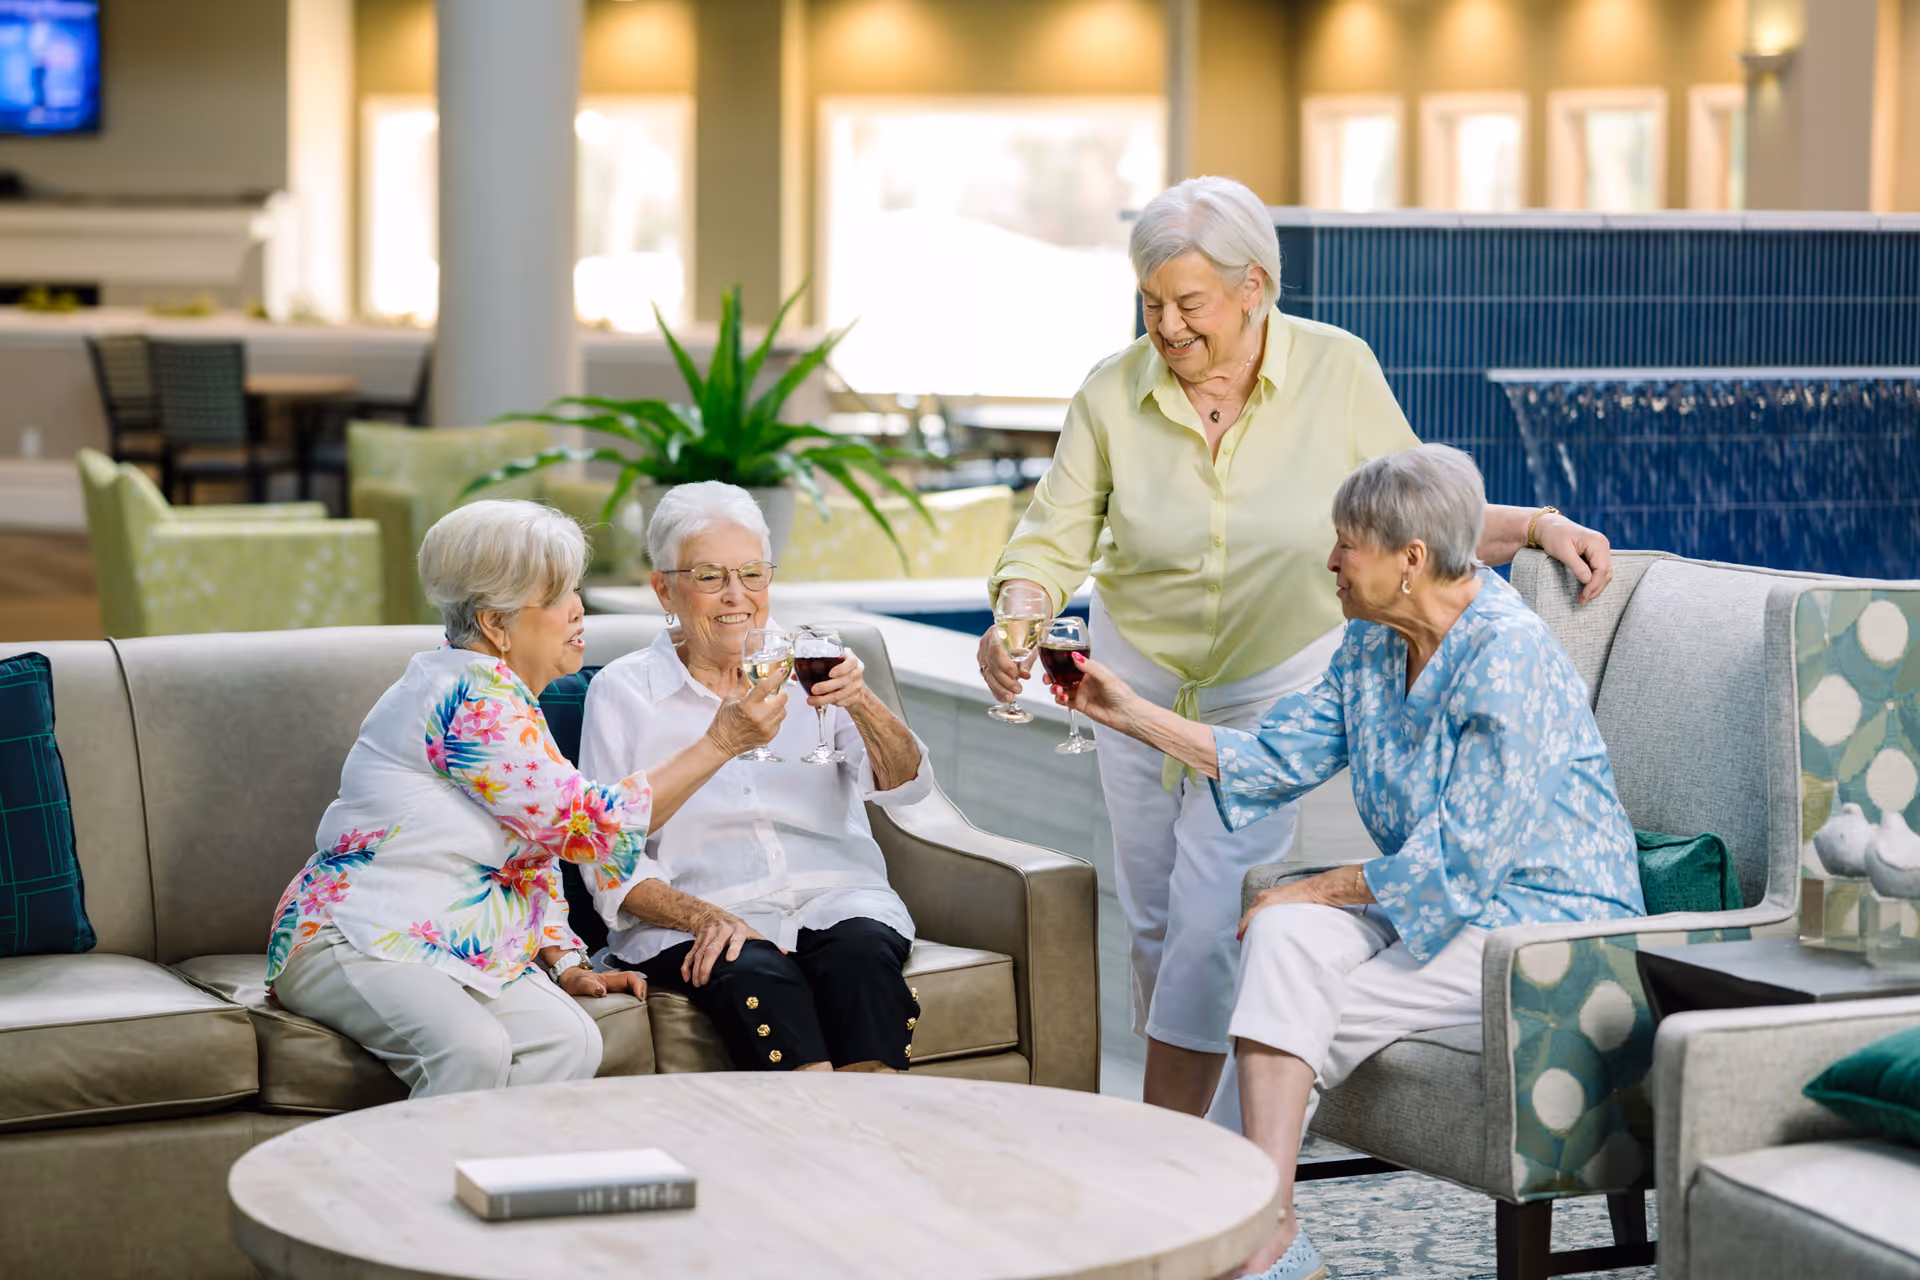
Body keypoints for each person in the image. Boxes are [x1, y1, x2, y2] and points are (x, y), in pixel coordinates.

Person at [982, 174, 1618, 1117]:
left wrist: (1534, 527)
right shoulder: (1113, 393)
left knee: (1207, 922)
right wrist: (1019, 618)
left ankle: (1171, 1159)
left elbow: (1418, 513)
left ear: (1253, 287)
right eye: (1151, 302)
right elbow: (1051, 535)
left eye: (1189, 303)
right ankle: (1198, 1137)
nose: (1167, 326)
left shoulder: (1336, 369)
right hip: (1142, 682)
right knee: (1158, 922)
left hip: (1272, 680)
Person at [1050, 445, 1645, 1280]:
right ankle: (1261, 1228)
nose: (1329, 560)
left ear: (1411, 559)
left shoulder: (1510, 656)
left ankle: (1217, 1218)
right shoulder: (1369, 646)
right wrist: (1129, 713)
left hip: (1547, 930)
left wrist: (1318, 886)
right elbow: (1271, 757)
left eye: (1347, 544)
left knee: (1295, 984)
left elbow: (1463, 859)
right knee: (1289, 944)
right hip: (1445, 915)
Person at [267, 499, 785, 1097]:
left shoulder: (508, 699)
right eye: (558, 596)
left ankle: (504, 1183)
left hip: (445, 939)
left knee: (571, 1040)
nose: (578, 609)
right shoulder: (470, 701)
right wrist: (723, 740)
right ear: (497, 624)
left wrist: (566, 960)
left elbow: (532, 854)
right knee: (470, 1049)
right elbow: (586, 829)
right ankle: (412, 1189)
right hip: (353, 934)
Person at [579, 482, 933, 1073]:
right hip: (702, 916)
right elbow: (606, 856)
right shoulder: (622, 692)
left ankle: (866, 1151)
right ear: (664, 587)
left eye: (752, 574)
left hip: (837, 897)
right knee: (762, 979)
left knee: (862, 961)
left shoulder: (815, 663)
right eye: (710, 576)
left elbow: (905, 786)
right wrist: (703, 917)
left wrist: (862, 702)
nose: (736, 596)